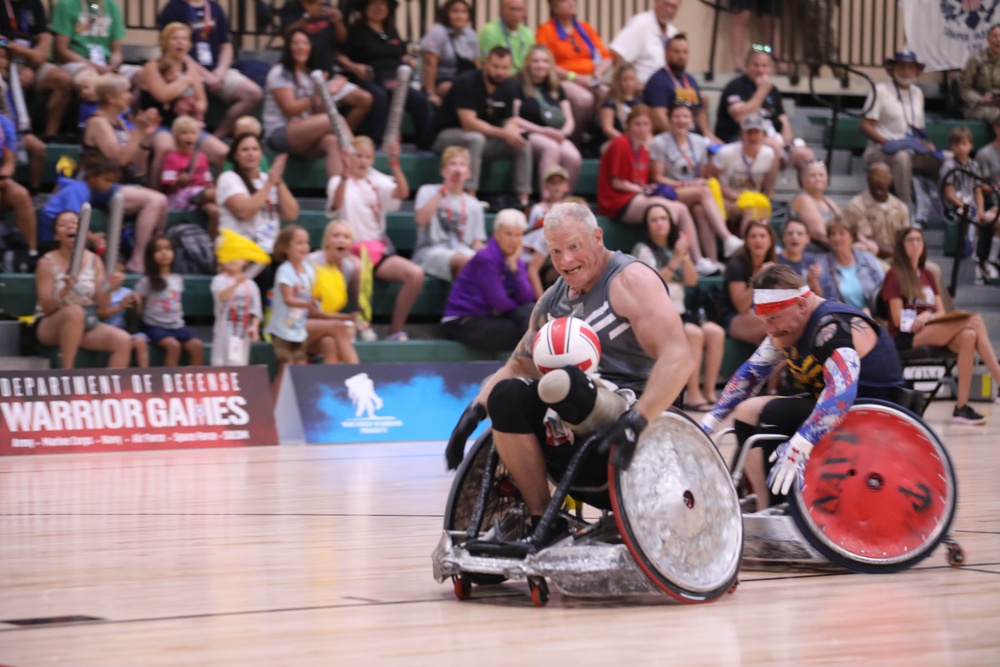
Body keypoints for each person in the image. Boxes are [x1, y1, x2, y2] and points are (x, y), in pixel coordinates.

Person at [444, 202, 693, 555]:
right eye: (555, 251)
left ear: (597, 238)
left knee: (561, 385)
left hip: (633, 420)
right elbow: (516, 366)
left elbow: (679, 356)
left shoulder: (630, 280)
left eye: (574, 247)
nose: (565, 261)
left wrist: (639, 419)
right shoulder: (551, 301)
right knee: (508, 395)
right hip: (569, 429)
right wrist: (474, 411)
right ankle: (544, 522)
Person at [700, 264, 906, 511]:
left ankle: (781, 508)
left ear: (801, 304)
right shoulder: (791, 325)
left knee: (772, 414)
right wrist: (709, 423)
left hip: (874, 413)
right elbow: (750, 375)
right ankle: (766, 506)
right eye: (765, 321)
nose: (770, 329)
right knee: (746, 412)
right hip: (841, 408)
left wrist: (800, 443)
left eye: (774, 319)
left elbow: (843, 393)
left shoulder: (830, 328)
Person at [881, 227, 1000, 424]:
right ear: (902, 246)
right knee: (975, 320)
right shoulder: (895, 274)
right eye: (910, 240)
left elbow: (941, 311)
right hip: (906, 335)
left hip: (930, 327)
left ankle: (961, 407)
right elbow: (896, 317)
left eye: (919, 239)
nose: (916, 244)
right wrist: (923, 318)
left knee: (970, 335)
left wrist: (927, 315)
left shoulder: (927, 274)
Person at [596, 104, 712, 273]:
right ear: (628, 125)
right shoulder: (620, 143)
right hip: (617, 202)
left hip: (634, 197)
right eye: (637, 124)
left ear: (651, 127)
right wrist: (639, 189)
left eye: (645, 124)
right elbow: (617, 183)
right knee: (672, 210)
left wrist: (646, 188)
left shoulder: (643, 148)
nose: (641, 129)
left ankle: (697, 259)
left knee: (680, 208)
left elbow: (639, 182)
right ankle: (682, 257)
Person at [326, 135, 421, 341]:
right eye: (358, 155)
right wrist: (344, 172)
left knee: (415, 274)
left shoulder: (378, 181)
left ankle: (395, 330)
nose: (362, 161)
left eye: (367, 157)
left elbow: (402, 192)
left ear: (372, 160)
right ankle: (363, 324)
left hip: (377, 249)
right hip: (349, 250)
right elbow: (337, 203)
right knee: (360, 269)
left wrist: (394, 162)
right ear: (349, 157)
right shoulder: (338, 181)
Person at [632, 202, 724, 411]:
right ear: (647, 225)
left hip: (680, 310)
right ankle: (692, 395)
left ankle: (709, 391)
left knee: (716, 332)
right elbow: (652, 282)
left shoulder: (675, 246)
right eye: (654, 220)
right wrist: (675, 259)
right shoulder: (643, 249)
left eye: (663, 219)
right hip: (657, 314)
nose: (659, 224)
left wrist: (684, 256)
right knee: (693, 333)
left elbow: (691, 281)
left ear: (670, 222)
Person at [845, 160, 954, 311]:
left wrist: (902, 252)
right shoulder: (856, 206)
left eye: (885, 178)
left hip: (899, 256)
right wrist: (899, 251)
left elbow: (906, 238)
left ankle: (946, 316)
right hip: (871, 260)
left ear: (891, 181)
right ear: (868, 179)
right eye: (876, 178)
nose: (881, 183)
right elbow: (870, 243)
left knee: (932, 270)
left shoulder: (900, 206)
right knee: (889, 272)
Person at [430, 46, 532, 206]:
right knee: (475, 138)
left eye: (505, 68)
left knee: (521, 142)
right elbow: (469, 123)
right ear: (484, 64)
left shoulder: (510, 85)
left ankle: (523, 199)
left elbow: (510, 118)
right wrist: (505, 134)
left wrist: (512, 131)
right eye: (496, 66)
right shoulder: (466, 82)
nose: (500, 72)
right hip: (445, 136)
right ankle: (470, 195)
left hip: (484, 140)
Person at [34, 210, 132, 369]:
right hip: (52, 323)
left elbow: (102, 306)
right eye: (63, 224)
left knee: (123, 340)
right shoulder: (46, 262)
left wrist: (110, 288)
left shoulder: (94, 260)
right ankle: (68, 373)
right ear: (56, 236)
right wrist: (65, 290)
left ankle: (109, 391)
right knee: (74, 312)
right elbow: (46, 308)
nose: (70, 227)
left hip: (88, 322)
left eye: (75, 223)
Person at [650, 102, 744, 267]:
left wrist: (696, 182)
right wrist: (685, 183)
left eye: (685, 116)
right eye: (677, 116)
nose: (681, 120)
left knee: (700, 210)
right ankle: (727, 238)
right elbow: (657, 177)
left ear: (691, 120)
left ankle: (710, 261)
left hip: (692, 191)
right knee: (704, 192)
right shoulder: (660, 142)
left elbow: (702, 174)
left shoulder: (699, 142)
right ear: (670, 119)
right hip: (669, 191)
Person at [141, 23, 231, 187]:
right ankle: (156, 193)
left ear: (189, 44)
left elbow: (202, 101)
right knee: (165, 147)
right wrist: (186, 81)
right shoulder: (152, 66)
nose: (179, 43)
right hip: (161, 124)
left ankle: (217, 195)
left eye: (184, 39)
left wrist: (197, 108)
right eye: (174, 38)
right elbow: (163, 94)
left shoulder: (190, 68)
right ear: (165, 42)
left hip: (186, 125)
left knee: (224, 153)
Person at [158, 0, 264, 139]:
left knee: (253, 93)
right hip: (186, 70)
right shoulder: (173, 8)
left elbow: (226, 46)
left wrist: (220, 71)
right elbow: (175, 51)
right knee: (188, 101)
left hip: (216, 70)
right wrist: (205, 75)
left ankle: (217, 137)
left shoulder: (215, 8)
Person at [441, 208, 536, 353]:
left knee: (530, 314)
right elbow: (499, 302)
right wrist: (517, 306)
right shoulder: (486, 258)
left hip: (489, 317)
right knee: (517, 330)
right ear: (497, 235)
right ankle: (535, 366)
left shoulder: (516, 261)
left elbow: (527, 298)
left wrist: (515, 268)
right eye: (508, 234)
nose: (514, 240)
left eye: (518, 235)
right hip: (462, 321)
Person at [341, 0, 430, 149]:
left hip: (394, 78)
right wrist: (355, 67)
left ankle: (424, 144)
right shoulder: (355, 30)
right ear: (365, 8)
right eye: (373, 4)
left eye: (382, 5)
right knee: (379, 97)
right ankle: (377, 144)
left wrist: (407, 59)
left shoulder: (391, 30)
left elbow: (400, 53)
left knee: (420, 100)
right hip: (368, 77)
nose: (378, 8)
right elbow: (340, 56)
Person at [861, 51, 943, 214]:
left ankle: (939, 206)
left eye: (910, 67)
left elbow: (917, 128)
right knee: (902, 158)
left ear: (916, 71)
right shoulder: (881, 90)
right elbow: (865, 125)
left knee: (944, 158)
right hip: (881, 149)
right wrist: (885, 142)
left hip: (911, 146)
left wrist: (925, 144)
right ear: (893, 69)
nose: (906, 71)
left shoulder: (918, 93)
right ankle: (906, 209)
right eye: (902, 66)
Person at [262, 28, 349, 181]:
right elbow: (290, 110)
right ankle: (362, 168)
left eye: (305, 43)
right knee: (337, 120)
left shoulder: (309, 74)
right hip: (279, 134)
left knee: (333, 141)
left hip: (304, 135)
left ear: (310, 48)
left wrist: (328, 93)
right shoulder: (279, 72)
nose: (301, 47)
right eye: (296, 43)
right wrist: (317, 95)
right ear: (288, 47)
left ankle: (338, 196)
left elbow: (318, 111)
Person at [714, 46, 813, 179]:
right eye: (756, 65)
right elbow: (742, 118)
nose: (761, 70)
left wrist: (787, 144)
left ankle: (807, 197)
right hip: (740, 138)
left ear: (770, 69)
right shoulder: (736, 87)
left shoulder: (773, 90)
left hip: (772, 138)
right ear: (747, 66)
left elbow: (783, 121)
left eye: (765, 66)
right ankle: (768, 195)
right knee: (773, 147)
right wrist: (762, 92)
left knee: (806, 155)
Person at [279, 0, 374, 135]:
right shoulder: (292, 6)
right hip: (303, 74)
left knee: (365, 99)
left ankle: (343, 139)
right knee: (321, 107)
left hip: (327, 74)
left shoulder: (326, 6)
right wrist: (307, 17)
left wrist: (337, 21)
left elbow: (342, 40)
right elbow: (287, 35)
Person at [217, 134, 299, 287]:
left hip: (269, 250)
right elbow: (243, 212)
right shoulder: (228, 178)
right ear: (235, 155)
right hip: (241, 254)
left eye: (255, 149)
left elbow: (291, 213)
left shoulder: (266, 178)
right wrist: (269, 184)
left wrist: (278, 181)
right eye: (245, 150)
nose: (250, 153)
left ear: (261, 154)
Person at [535, 0, 612, 143]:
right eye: (566, 1)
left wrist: (598, 73)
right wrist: (575, 78)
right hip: (563, 80)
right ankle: (574, 140)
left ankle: (593, 137)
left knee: (606, 93)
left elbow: (606, 57)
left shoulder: (585, 28)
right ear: (554, 6)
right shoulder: (546, 30)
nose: (572, 3)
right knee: (584, 99)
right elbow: (546, 63)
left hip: (590, 78)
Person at [0, 0, 72, 141]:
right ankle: (16, 136)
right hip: (7, 59)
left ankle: (50, 137)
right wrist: (29, 54)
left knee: (63, 80)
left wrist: (35, 60)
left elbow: (44, 35)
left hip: (33, 61)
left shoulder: (34, 4)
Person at [513, 44, 581, 193]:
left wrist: (564, 133)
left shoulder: (557, 88)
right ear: (528, 63)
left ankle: (564, 201)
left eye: (544, 61)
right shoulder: (517, 85)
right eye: (536, 61)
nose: (540, 65)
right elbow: (514, 118)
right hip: (531, 133)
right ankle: (548, 201)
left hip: (556, 134)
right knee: (551, 148)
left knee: (573, 157)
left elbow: (569, 119)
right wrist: (543, 131)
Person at [412, 146, 487, 282]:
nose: (457, 169)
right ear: (443, 171)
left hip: (463, 250)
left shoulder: (475, 204)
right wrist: (443, 192)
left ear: (468, 173)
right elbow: (420, 220)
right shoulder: (428, 191)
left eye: (462, 164)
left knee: (487, 264)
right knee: (466, 262)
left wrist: (491, 254)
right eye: (452, 164)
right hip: (431, 251)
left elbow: (477, 242)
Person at [135, 234, 205, 368]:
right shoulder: (146, 281)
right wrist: (136, 305)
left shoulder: (177, 278)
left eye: (168, 249)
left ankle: (196, 383)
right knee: (173, 346)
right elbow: (139, 307)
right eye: (159, 250)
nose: (164, 253)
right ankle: (169, 383)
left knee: (197, 346)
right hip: (155, 326)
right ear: (151, 255)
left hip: (177, 326)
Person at [940, 125, 1000, 279]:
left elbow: (978, 191)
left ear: (971, 145)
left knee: (991, 220)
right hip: (955, 208)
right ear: (951, 146)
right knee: (970, 218)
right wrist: (967, 207)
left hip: (972, 206)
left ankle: (987, 261)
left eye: (964, 144)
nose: (961, 148)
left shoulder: (974, 165)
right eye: (957, 144)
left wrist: (979, 209)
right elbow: (949, 195)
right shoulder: (949, 166)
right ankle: (969, 259)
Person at [266, 225, 317, 396]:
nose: (304, 247)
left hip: (298, 329)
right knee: (286, 369)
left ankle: (295, 409)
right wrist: (308, 304)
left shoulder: (309, 269)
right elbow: (288, 299)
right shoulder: (284, 271)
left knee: (300, 368)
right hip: (281, 330)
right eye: (299, 243)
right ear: (287, 248)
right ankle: (271, 412)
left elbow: (308, 295)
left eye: (306, 243)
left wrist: (313, 302)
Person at [706, 113, 776, 235]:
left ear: (763, 135)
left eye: (756, 133)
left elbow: (759, 182)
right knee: (752, 210)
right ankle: (747, 248)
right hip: (725, 199)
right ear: (741, 135)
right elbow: (709, 175)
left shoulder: (768, 155)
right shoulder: (727, 153)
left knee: (761, 207)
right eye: (749, 133)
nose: (753, 137)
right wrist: (729, 194)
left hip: (748, 197)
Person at [644, 33, 719, 141]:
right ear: (667, 54)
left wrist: (708, 134)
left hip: (694, 137)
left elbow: (700, 111)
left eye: (685, 52)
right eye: (676, 52)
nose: (681, 56)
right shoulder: (658, 81)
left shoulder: (691, 80)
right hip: (670, 139)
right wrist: (680, 140)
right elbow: (659, 117)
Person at [713, 218, 775, 346]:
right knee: (775, 319)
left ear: (770, 241)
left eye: (762, 236)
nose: (758, 240)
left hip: (759, 317)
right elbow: (741, 306)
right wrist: (758, 277)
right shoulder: (736, 266)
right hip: (733, 319)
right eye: (753, 236)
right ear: (746, 241)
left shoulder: (773, 265)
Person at [160, 115, 219, 237]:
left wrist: (210, 188)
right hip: (180, 198)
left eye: (192, 133)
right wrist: (179, 181)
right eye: (184, 133)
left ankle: (212, 246)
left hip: (199, 198)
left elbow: (208, 183)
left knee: (215, 212)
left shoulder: (202, 157)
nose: (189, 136)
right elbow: (169, 187)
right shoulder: (172, 157)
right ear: (176, 136)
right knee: (217, 194)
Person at [50, 0, 136, 80]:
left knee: (142, 74)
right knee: (90, 76)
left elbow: (116, 51)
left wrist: (113, 65)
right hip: (77, 63)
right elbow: (61, 50)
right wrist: (96, 67)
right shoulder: (67, 4)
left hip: (106, 64)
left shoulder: (111, 6)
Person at [817, 215, 883, 314]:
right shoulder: (822, 265)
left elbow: (882, 286)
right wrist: (813, 280)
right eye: (832, 234)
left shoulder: (867, 259)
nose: (836, 238)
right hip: (841, 318)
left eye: (841, 233)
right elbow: (821, 300)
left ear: (852, 237)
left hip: (872, 315)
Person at [524, 166, 572, 297]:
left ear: (566, 186)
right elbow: (532, 233)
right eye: (552, 183)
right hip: (540, 255)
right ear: (545, 185)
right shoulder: (538, 209)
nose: (556, 186)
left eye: (560, 182)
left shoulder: (571, 208)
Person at [421, 0, 480, 105]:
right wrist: (430, 93)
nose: (459, 16)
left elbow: (477, 64)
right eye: (455, 11)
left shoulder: (470, 34)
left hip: (466, 79)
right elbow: (430, 64)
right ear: (446, 14)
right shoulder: (438, 32)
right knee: (461, 90)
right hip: (443, 81)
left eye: (464, 12)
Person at [608, 0, 680, 86]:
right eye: (666, 4)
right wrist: (631, 85)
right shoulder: (641, 24)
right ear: (656, 2)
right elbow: (616, 54)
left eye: (673, 7)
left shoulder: (674, 33)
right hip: (642, 93)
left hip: (669, 90)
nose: (669, 10)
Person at [0, 105, 37, 260]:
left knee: (20, 194)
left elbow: (9, 163)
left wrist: (2, 177)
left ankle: (28, 255)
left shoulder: (4, 123)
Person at [209, 258, 261, 366]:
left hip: (242, 332)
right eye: (230, 255)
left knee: (240, 364)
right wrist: (236, 283)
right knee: (220, 364)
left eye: (237, 256)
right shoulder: (219, 280)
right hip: (223, 330)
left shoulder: (251, 285)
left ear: (245, 261)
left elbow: (256, 309)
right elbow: (222, 296)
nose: (232, 259)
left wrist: (254, 327)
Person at [101, 256, 150, 368]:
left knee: (140, 341)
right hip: (108, 330)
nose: (118, 276)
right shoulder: (103, 293)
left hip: (127, 330)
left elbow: (137, 317)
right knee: (124, 343)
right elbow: (101, 315)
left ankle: (145, 374)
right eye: (114, 272)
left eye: (121, 272)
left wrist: (138, 304)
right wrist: (120, 306)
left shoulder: (128, 292)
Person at [789, 160, 840, 247]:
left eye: (821, 175)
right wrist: (846, 247)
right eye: (812, 175)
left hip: (834, 248)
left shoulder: (828, 201)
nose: (817, 179)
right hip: (813, 252)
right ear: (803, 180)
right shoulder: (802, 199)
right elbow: (820, 233)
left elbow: (844, 225)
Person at [959, 24, 1000, 124]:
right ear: (988, 39)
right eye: (995, 36)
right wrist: (981, 99)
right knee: (996, 114)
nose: (998, 40)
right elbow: (964, 88)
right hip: (978, 106)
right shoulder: (976, 60)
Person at [478, 0, 534, 73]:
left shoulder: (527, 33)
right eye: (512, 9)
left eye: (520, 10)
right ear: (502, 11)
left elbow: (531, 62)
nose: (516, 14)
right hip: (500, 78)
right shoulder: (490, 31)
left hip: (525, 78)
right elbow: (485, 64)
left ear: (525, 13)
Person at [776, 218, 823, 296]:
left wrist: (813, 280)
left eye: (800, 234)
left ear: (807, 238)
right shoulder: (775, 261)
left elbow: (819, 296)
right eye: (790, 233)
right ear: (783, 238)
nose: (794, 237)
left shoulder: (810, 261)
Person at [598, 63, 641, 146]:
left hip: (637, 141)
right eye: (625, 80)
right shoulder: (611, 101)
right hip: (616, 142)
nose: (629, 83)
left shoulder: (640, 101)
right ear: (618, 81)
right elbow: (607, 128)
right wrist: (627, 142)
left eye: (632, 79)